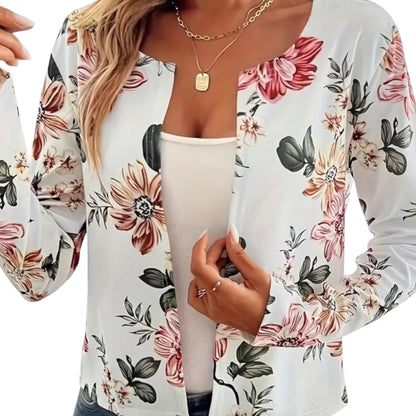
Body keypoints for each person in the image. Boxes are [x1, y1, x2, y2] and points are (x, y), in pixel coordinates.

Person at [1, 0, 415, 415]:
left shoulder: (355, 34)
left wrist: (286, 318)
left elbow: (407, 237)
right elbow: (37, 272)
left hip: (283, 403)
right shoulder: (89, 37)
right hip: (115, 403)